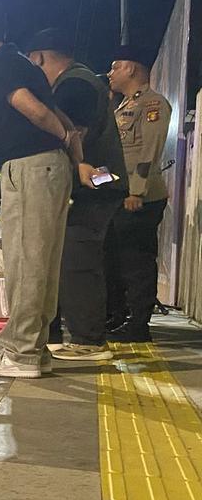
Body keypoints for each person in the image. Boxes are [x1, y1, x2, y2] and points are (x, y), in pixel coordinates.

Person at [0, 1, 94, 378]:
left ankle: (21, 353)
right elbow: (53, 115)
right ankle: (35, 349)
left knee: (24, 261)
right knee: (42, 262)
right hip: (49, 168)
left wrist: (62, 136)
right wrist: (72, 151)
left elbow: (34, 110)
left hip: (30, 169)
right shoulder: (22, 62)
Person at [24, 27, 127, 360]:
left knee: (77, 261)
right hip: (95, 183)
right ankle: (60, 335)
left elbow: (71, 135)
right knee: (67, 259)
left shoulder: (74, 85)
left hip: (94, 184)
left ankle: (88, 340)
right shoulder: (79, 80)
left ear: (39, 58)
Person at [105, 44, 173, 343]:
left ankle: (138, 323)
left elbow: (149, 151)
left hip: (140, 198)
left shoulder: (152, 104)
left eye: (115, 67)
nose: (110, 73)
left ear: (131, 68)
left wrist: (136, 191)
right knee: (116, 259)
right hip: (120, 195)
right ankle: (119, 315)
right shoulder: (121, 106)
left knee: (137, 261)